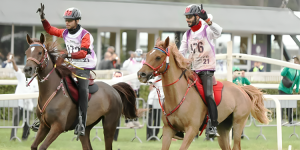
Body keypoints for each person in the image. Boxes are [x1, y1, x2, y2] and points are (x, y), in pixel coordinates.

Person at [36, 3, 97, 136]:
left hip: (84, 65)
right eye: (66, 20)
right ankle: (42, 116)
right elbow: (50, 30)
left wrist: (67, 54)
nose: (67, 23)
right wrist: (43, 19)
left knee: (82, 89)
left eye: (69, 20)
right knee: (52, 79)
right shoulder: (65, 32)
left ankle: (82, 122)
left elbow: (82, 53)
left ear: (77, 20)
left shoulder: (86, 35)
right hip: (70, 64)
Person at [178, 4, 222, 138]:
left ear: (198, 17)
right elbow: (181, 52)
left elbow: (219, 32)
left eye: (190, 17)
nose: (187, 19)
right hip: (193, 70)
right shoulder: (187, 34)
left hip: (207, 69)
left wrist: (208, 20)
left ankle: (213, 126)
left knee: (208, 94)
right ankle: (178, 126)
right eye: (186, 17)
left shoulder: (207, 29)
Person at [9, 55, 38, 141]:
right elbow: (16, 70)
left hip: (28, 105)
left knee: (27, 123)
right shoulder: (22, 76)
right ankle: (13, 137)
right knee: (16, 121)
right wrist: (13, 62)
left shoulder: (35, 81)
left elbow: (37, 92)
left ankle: (24, 137)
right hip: (19, 103)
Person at [279, 56, 300, 124]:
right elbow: (282, 74)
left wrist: (297, 87)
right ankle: (281, 120)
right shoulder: (290, 67)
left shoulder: (298, 70)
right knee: (281, 105)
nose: (296, 62)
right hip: (282, 88)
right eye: (295, 61)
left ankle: (290, 120)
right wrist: (287, 66)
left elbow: (298, 79)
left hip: (290, 90)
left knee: (290, 106)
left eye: (297, 61)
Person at [146, 76, 163, 141]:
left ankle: (155, 135)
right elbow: (150, 85)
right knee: (150, 119)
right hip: (152, 101)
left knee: (157, 120)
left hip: (159, 101)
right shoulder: (156, 77)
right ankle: (149, 135)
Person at [112, 71, 123, 141]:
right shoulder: (110, 84)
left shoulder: (123, 86)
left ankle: (115, 137)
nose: (118, 78)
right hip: (111, 105)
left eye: (119, 76)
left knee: (117, 122)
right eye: (117, 76)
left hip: (119, 106)